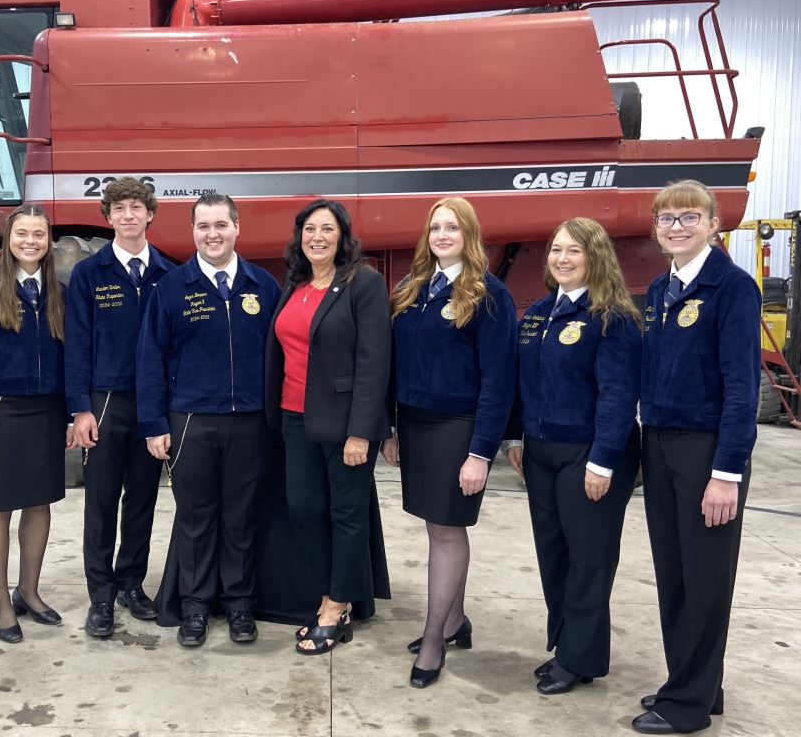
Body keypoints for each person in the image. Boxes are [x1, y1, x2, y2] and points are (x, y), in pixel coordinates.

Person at [631, 181, 761, 735]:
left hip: (706, 450)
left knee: (705, 577)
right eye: (667, 219)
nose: (677, 226)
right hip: (660, 443)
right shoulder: (661, 289)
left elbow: (742, 387)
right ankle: (696, 683)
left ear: (713, 223)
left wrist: (726, 473)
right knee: (676, 574)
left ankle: (687, 707)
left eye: (689, 217)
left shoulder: (732, 288)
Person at [381, 197, 516, 687]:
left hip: (457, 427)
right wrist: (390, 427)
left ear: (469, 235)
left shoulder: (488, 295)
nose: (441, 235)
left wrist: (481, 453)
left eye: (452, 228)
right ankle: (455, 621)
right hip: (415, 426)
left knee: (445, 529)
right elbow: (393, 366)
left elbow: (499, 383)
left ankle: (435, 638)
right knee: (439, 527)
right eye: (435, 227)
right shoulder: (412, 289)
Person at [503, 217, 642, 695]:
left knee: (588, 560)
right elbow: (521, 384)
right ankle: (566, 647)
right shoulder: (539, 313)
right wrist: (516, 438)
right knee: (554, 555)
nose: (561, 259)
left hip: (590, 454)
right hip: (540, 452)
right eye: (556, 250)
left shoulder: (613, 318)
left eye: (574, 251)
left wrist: (602, 460)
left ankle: (580, 660)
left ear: (596, 257)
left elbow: (619, 395)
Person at [138, 192, 281, 646]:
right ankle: (195, 607)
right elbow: (150, 360)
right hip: (191, 421)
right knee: (196, 517)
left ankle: (239, 604)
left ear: (238, 228)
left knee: (240, 517)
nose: (212, 234)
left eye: (221, 225)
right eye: (203, 226)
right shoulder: (171, 289)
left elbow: (281, 360)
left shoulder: (263, 286)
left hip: (250, 422)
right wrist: (154, 423)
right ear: (193, 232)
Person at [264, 199, 392, 656]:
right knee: (303, 508)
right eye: (309, 229)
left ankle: (337, 605)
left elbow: (374, 362)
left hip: (344, 425)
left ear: (343, 237)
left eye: (328, 229)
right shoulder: (294, 283)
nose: (317, 237)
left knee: (348, 514)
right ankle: (328, 593)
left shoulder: (364, 282)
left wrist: (362, 432)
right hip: (294, 417)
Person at [0, 204, 73, 643]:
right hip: (1, 412)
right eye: (22, 233)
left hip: (47, 412)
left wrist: (69, 414)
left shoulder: (60, 294)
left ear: (49, 242)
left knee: (39, 502)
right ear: (8, 240)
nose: (31, 241)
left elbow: (71, 360)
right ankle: (0, 601)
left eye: (39, 235)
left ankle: (28, 590)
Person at [66, 177, 175, 637]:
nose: (128, 215)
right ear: (107, 217)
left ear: (150, 214)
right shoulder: (89, 275)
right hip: (105, 405)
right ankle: (101, 596)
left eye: (136, 207)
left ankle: (132, 583)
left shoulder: (169, 276)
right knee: (102, 503)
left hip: (152, 408)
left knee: (143, 502)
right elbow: (76, 345)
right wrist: (80, 409)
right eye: (119, 209)